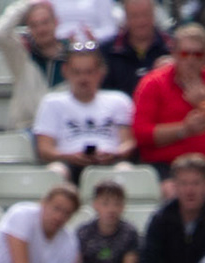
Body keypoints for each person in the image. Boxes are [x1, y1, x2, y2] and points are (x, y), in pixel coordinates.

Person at [132, 24, 205, 175]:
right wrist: (184, 130)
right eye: (185, 54)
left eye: (198, 54)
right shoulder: (153, 83)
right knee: (169, 191)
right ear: (175, 54)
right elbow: (141, 134)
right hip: (165, 168)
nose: (191, 60)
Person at [31, 42, 133, 184]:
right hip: (67, 163)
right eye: (77, 72)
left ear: (100, 72)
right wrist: (70, 156)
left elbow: (127, 143)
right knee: (55, 171)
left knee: (126, 170)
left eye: (89, 72)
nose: (83, 79)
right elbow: (44, 149)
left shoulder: (119, 100)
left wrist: (114, 153)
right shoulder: (51, 102)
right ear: (65, 71)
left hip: (110, 164)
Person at [0, 0, 66, 132]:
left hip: (62, 130)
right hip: (27, 127)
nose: (41, 29)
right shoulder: (21, 55)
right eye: (34, 25)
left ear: (56, 22)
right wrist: (27, 4)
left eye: (45, 22)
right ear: (28, 29)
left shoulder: (71, 57)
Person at [76, 178, 146, 263]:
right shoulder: (83, 232)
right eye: (105, 204)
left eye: (117, 204)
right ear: (95, 204)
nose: (111, 209)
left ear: (123, 206)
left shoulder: (129, 232)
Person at [102, 0, 168, 95]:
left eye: (145, 14)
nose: (141, 21)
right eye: (135, 16)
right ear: (125, 17)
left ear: (154, 15)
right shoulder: (107, 51)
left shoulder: (171, 47)